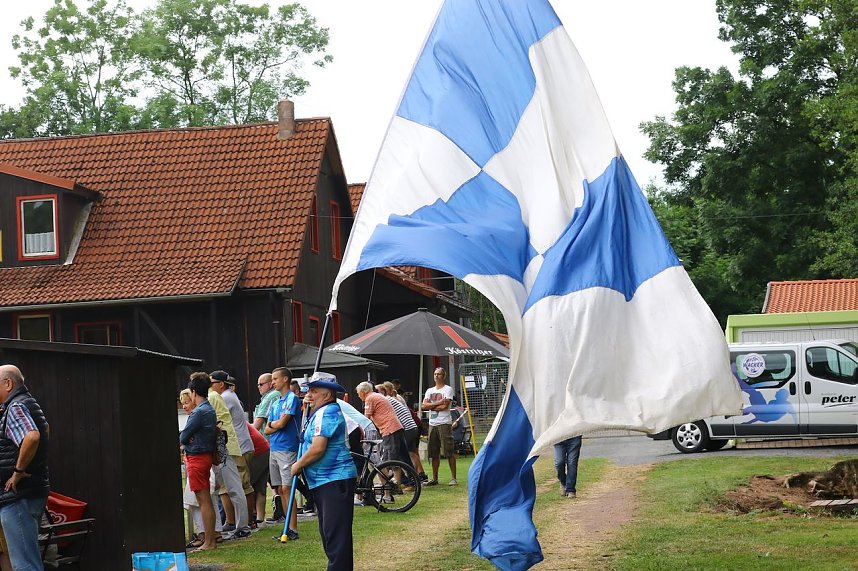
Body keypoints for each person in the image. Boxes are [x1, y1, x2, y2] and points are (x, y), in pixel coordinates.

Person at [291, 376, 357, 571]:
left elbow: (318, 448)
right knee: (330, 533)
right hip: (324, 481)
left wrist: (298, 464)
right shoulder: (318, 412)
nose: (308, 395)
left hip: (334, 479)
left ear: (327, 394)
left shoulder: (327, 412)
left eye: (313, 391)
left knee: (335, 535)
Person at [0, 365, 49, 571]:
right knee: (27, 559)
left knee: (25, 564)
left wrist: (18, 472)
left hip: (18, 496)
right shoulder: (30, 403)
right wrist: (36, 464)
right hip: (31, 492)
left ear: (8, 384)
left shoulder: (15, 407)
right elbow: (45, 430)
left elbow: (32, 436)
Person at [196, 372, 251, 539]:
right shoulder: (220, 395)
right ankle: (240, 525)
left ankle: (242, 527)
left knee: (234, 488)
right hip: (226, 447)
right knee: (232, 488)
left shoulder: (212, 397)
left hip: (224, 448)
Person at [179, 382, 219, 550]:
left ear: (194, 391)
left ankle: (209, 541)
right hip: (205, 456)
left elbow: (184, 436)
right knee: (206, 500)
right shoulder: (209, 408)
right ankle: (210, 539)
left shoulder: (199, 412)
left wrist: (186, 440)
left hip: (197, 458)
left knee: (203, 500)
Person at [213, 371, 255, 528]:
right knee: (239, 486)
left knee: (240, 486)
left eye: (212, 383)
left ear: (221, 384)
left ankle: (238, 522)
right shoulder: (230, 395)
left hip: (237, 447)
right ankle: (242, 521)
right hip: (240, 445)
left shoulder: (224, 397)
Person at [264, 366, 301, 540]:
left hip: (287, 448)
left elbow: (283, 423)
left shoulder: (292, 398)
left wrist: (274, 425)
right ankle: (287, 527)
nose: (273, 382)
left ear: (285, 379)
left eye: (275, 379)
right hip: (274, 448)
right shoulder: (276, 402)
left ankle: (292, 528)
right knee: (279, 488)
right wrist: (274, 425)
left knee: (287, 488)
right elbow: (268, 428)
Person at [422, 367, 457, 485]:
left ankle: (453, 478)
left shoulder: (448, 390)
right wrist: (438, 402)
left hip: (444, 423)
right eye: (435, 374)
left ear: (444, 376)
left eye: (439, 374)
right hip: (432, 423)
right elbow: (423, 406)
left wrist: (431, 405)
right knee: (433, 452)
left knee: (448, 451)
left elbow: (444, 407)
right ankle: (434, 478)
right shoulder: (429, 390)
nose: (436, 376)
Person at [382, 381, 425, 480]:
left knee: (405, 454)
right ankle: (419, 475)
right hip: (412, 425)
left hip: (406, 427)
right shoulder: (397, 398)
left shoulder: (389, 400)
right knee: (411, 453)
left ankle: (410, 477)